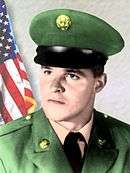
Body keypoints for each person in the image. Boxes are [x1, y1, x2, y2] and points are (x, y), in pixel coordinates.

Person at [0, 9, 130, 173]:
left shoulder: (126, 145)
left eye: (71, 75)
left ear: (99, 83)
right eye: (48, 72)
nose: (55, 86)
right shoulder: (5, 148)